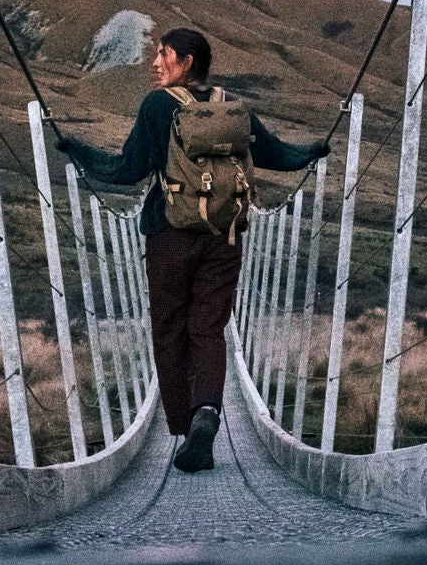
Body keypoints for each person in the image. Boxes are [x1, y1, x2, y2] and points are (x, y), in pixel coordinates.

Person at [58, 26, 328, 473]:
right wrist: (313, 151)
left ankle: (186, 428)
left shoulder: (158, 106)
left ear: (185, 62)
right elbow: (276, 154)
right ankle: (208, 411)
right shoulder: (230, 106)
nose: (154, 62)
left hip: (171, 233)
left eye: (163, 54)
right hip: (225, 237)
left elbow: (127, 169)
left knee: (169, 328)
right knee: (207, 328)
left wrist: (78, 150)